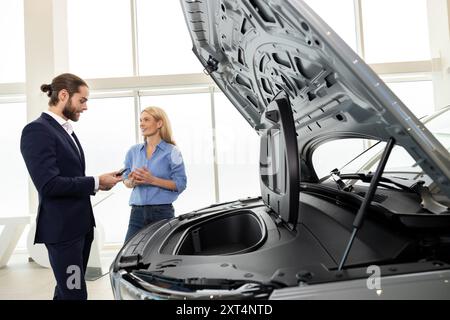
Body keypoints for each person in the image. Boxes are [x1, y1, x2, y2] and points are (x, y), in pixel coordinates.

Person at [20, 73, 122, 300]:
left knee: (66, 292)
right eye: (82, 100)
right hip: (63, 233)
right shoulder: (37, 131)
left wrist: (98, 184)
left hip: (79, 229)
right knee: (74, 294)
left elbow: (70, 176)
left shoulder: (65, 130)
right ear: (64, 95)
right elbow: (49, 185)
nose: (85, 107)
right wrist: (95, 181)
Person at [122, 106, 187, 242]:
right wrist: (131, 182)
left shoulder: (173, 151)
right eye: (140, 120)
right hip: (137, 213)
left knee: (160, 257)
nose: (141, 124)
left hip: (162, 212)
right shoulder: (133, 151)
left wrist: (152, 180)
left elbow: (181, 184)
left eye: (146, 120)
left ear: (159, 123)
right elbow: (125, 178)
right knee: (127, 255)